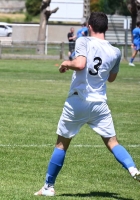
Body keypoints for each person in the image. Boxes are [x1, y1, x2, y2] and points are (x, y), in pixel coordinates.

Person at [34, 12, 140, 197]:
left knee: (61, 144)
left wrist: (66, 63)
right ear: (106, 28)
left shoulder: (84, 41)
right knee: (112, 142)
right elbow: (112, 78)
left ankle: (48, 187)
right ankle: (132, 169)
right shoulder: (115, 51)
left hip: (78, 100)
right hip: (99, 104)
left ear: (89, 26)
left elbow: (81, 64)